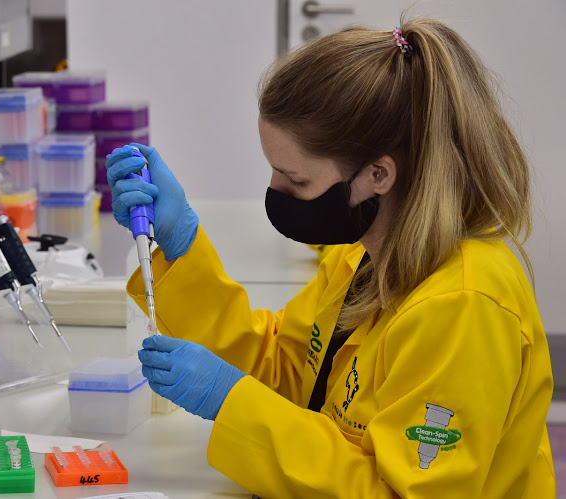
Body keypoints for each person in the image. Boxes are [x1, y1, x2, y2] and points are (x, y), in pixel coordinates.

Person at [105, 18, 554, 498]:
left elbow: (398, 494)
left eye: (296, 180)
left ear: (378, 174)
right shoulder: (367, 253)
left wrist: (229, 399)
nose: (275, 192)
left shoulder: (465, 307)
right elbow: (295, 372)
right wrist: (181, 244)